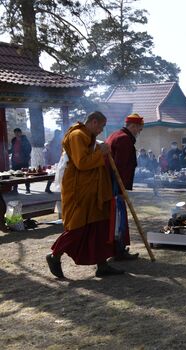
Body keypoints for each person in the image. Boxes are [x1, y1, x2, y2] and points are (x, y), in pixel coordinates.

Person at [46, 111, 122, 278]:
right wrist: (100, 152)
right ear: (94, 122)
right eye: (101, 126)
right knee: (78, 228)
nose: (102, 130)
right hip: (80, 190)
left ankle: (102, 265)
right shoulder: (77, 135)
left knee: (99, 226)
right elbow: (82, 163)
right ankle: (54, 256)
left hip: (94, 190)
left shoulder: (88, 136)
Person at [105, 113, 144, 261]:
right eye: (138, 129)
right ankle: (118, 250)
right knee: (118, 218)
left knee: (117, 218)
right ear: (132, 126)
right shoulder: (123, 139)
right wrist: (121, 189)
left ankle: (118, 248)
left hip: (113, 183)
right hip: (115, 185)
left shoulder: (117, 135)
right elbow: (119, 167)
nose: (138, 132)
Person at [9, 128, 32, 193]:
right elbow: (12, 149)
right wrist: (7, 151)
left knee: (26, 175)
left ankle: (27, 189)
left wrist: (21, 154)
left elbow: (29, 149)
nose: (16, 134)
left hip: (23, 161)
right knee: (14, 175)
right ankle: (15, 189)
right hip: (15, 161)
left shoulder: (25, 140)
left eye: (18, 133)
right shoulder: (13, 140)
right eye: (15, 133)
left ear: (20, 133)